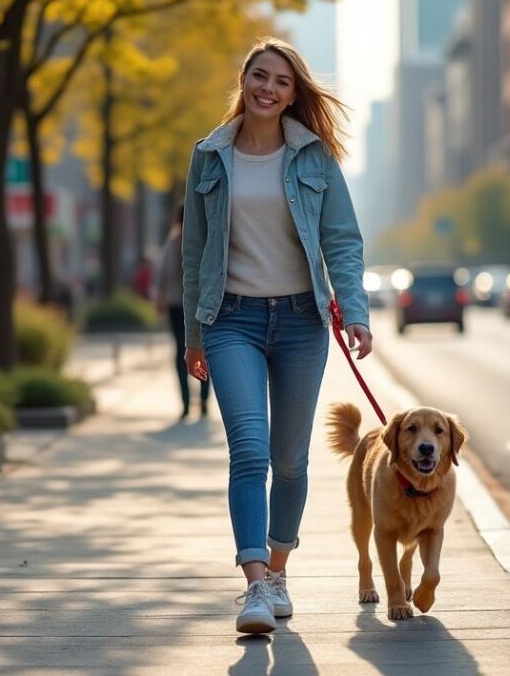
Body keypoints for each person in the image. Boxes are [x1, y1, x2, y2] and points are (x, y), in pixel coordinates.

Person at [181, 37, 372, 634]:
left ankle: (281, 569)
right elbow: (194, 254)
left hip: (300, 322)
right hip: (230, 320)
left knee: (290, 462)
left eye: (281, 81)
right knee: (250, 452)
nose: (268, 88)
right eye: (259, 76)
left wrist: (356, 310)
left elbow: (342, 240)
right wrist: (192, 335)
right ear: (243, 80)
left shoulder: (314, 158)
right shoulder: (209, 157)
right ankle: (256, 585)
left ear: (294, 94)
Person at [153, 202, 211, 420]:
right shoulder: (204, 239)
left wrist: (160, 298)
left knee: (181, 352)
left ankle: (187, 403)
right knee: (205, 352)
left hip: (177, 305)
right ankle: (201, 402)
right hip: (200, 305)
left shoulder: (173, 241)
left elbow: (161, 275)